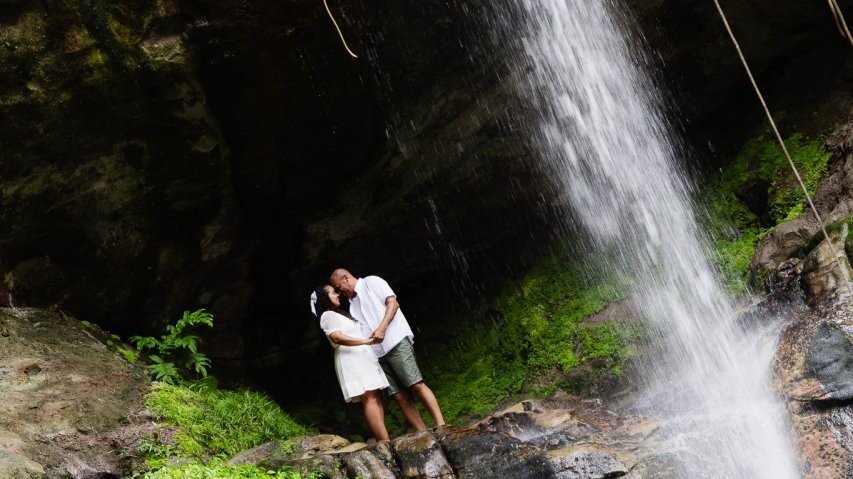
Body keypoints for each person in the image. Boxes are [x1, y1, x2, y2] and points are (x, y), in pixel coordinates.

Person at [330, 268, 445, 431]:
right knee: (398, 396)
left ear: (346, 278)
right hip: (377, 354)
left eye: (338, 287)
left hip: (395, 341)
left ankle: (442, 426)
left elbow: (393, 303)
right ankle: (424, 433)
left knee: (416, 384)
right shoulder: (352, 306)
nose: (339, 292)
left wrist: (382, 328)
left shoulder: (372, 282)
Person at [311, 285, 390, 441]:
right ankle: (385, 441)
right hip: (351, 359)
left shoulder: (338, 314)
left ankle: (384, 438)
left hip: (361, 356)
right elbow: (336, 337)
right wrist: (365, 341)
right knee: (369, 398)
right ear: (324, 298)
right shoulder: (327, 315)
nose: (337, 295)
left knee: (375, 396)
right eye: (333, 293)